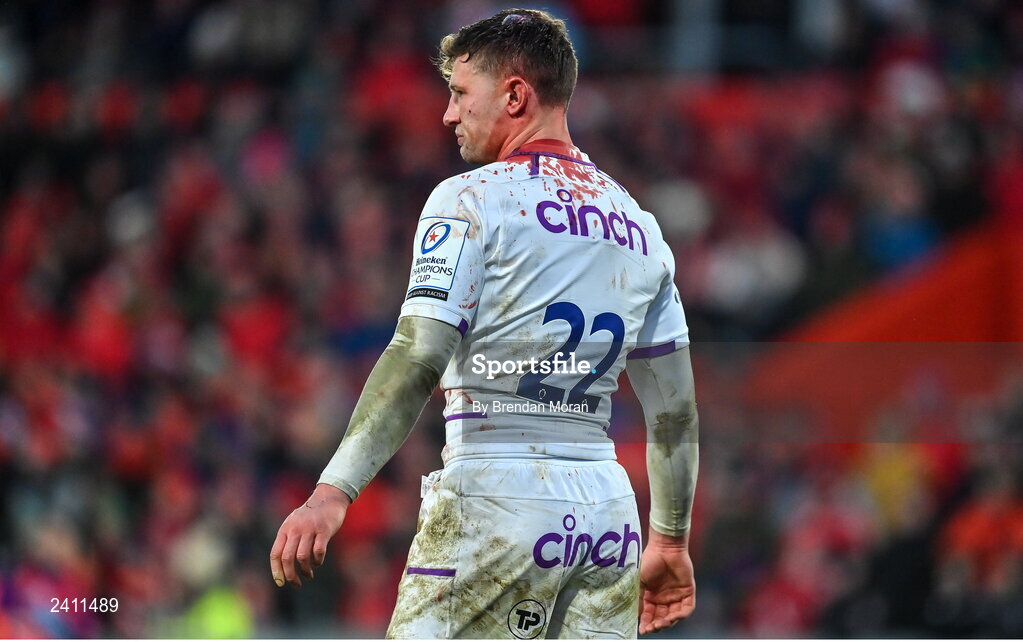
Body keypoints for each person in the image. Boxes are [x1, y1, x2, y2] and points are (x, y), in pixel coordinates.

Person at [270, 9, 699, 639]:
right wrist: (669, 538)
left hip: (496, 494)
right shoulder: (640, 226)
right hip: (607, 513)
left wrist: (333, 491)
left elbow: (419, 356)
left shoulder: (471, 199)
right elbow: (675, 412)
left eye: (459, 93)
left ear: (516, 95)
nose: (448, 114)